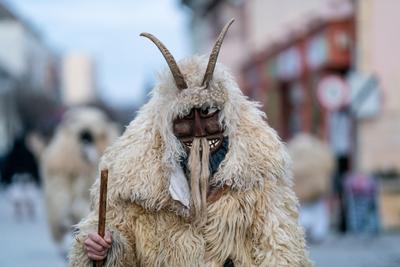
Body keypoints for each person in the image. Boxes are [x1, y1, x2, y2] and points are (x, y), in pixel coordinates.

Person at [69, 20, 311, 266]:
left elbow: (281, 247)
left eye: (207, 112)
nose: (198, 130)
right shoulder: (131, 182)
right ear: (167, 125)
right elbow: (114, 235)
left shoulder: (260, 177)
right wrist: (105, 246)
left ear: (227, 117)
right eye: (185, 117)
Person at [41, 106, 119, 255]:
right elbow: (56, 190)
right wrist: (62, 219)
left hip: (99, 222)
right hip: (76, 220)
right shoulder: (61, 154)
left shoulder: (107, 148)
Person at [288, 133, 335, 243]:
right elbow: (329, 166)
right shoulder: (319, 153)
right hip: (316, 192)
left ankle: (304, 232)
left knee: (302, 212)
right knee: (317, 212)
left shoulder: (293, 153)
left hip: (301, 194)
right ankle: (317, 233)